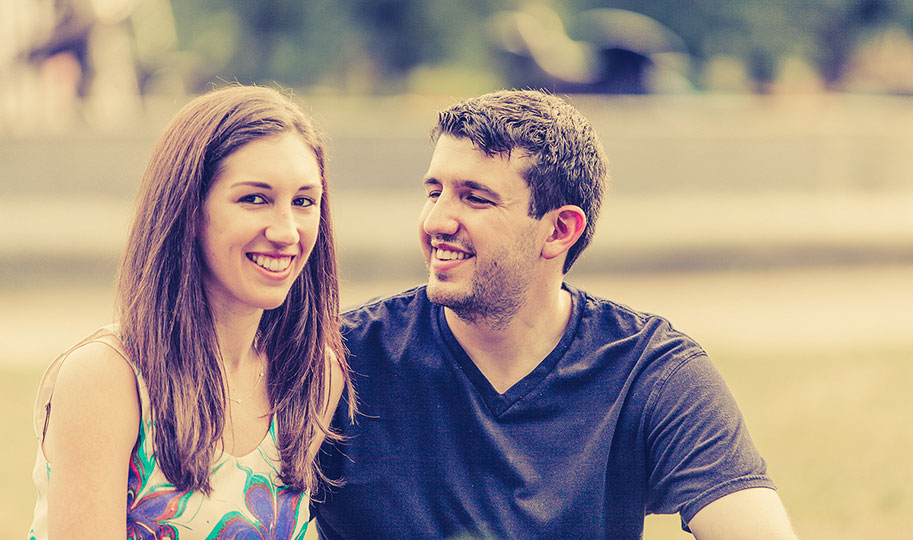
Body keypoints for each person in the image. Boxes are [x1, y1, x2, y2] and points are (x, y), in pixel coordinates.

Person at [313, 89, 798, 539]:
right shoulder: (340, 359)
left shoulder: (649, 372)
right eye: (434, 191)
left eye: (475, 197)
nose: (436, 220)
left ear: (559, 230)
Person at [27, 85, 353, 539]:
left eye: (303, 201)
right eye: (254, 198)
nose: (286, 231)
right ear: (188, 210)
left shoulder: (315, 375)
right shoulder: (108, 378)